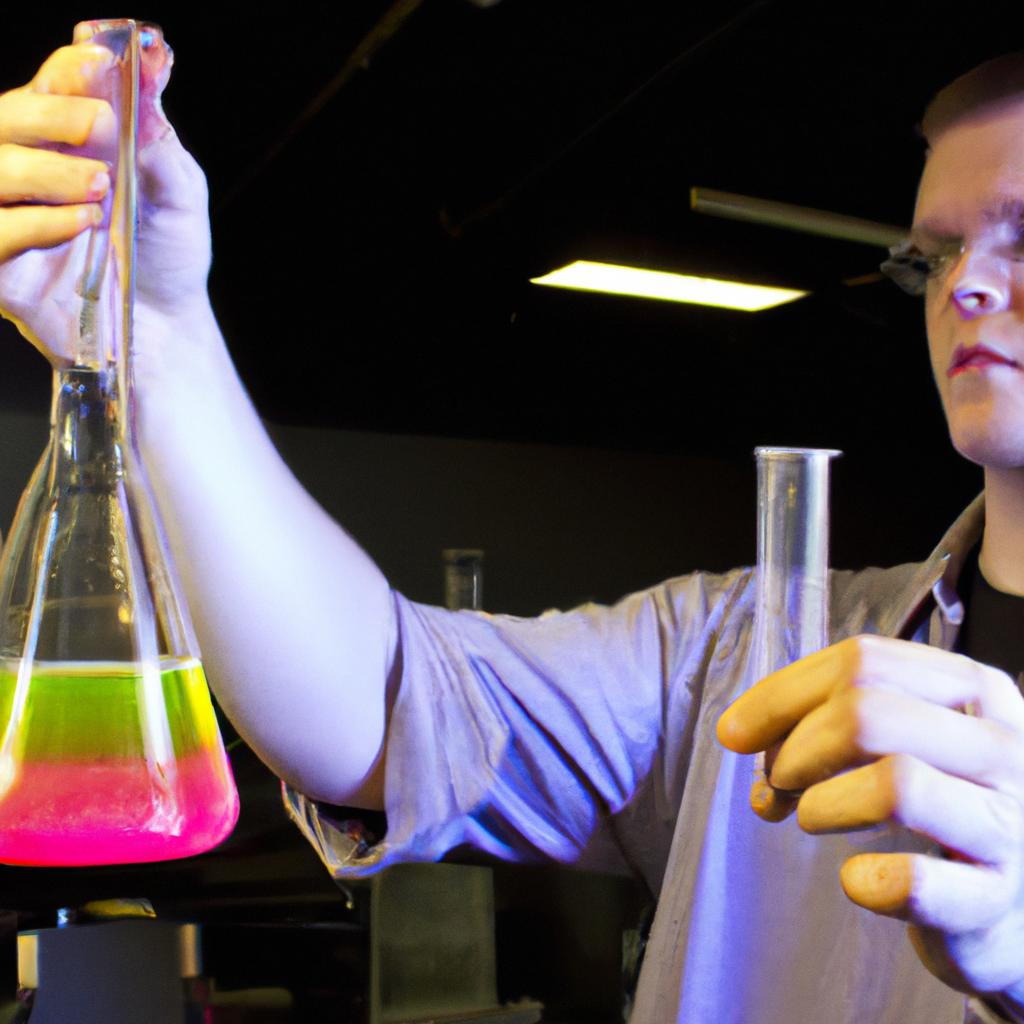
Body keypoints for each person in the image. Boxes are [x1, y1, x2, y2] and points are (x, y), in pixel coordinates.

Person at [1, 27, 1023, 1024]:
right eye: (937, 254)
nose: (965, 283)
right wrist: (158, 338)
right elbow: (382, 712)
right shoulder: (754, 660)